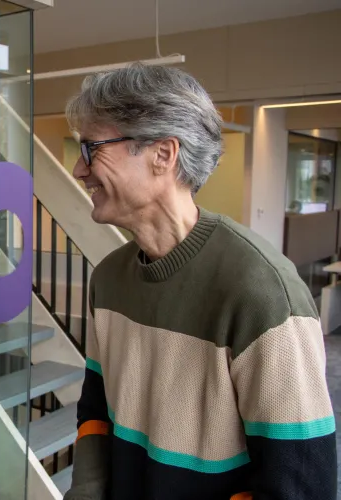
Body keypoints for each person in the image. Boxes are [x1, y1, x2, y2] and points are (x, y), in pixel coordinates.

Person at [63, 64, 336, 500]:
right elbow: (97, 413)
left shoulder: (262, 291)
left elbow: (299, 487)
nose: (80, 169)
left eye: (92, 147)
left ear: (163, 155)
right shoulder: (108, 279)